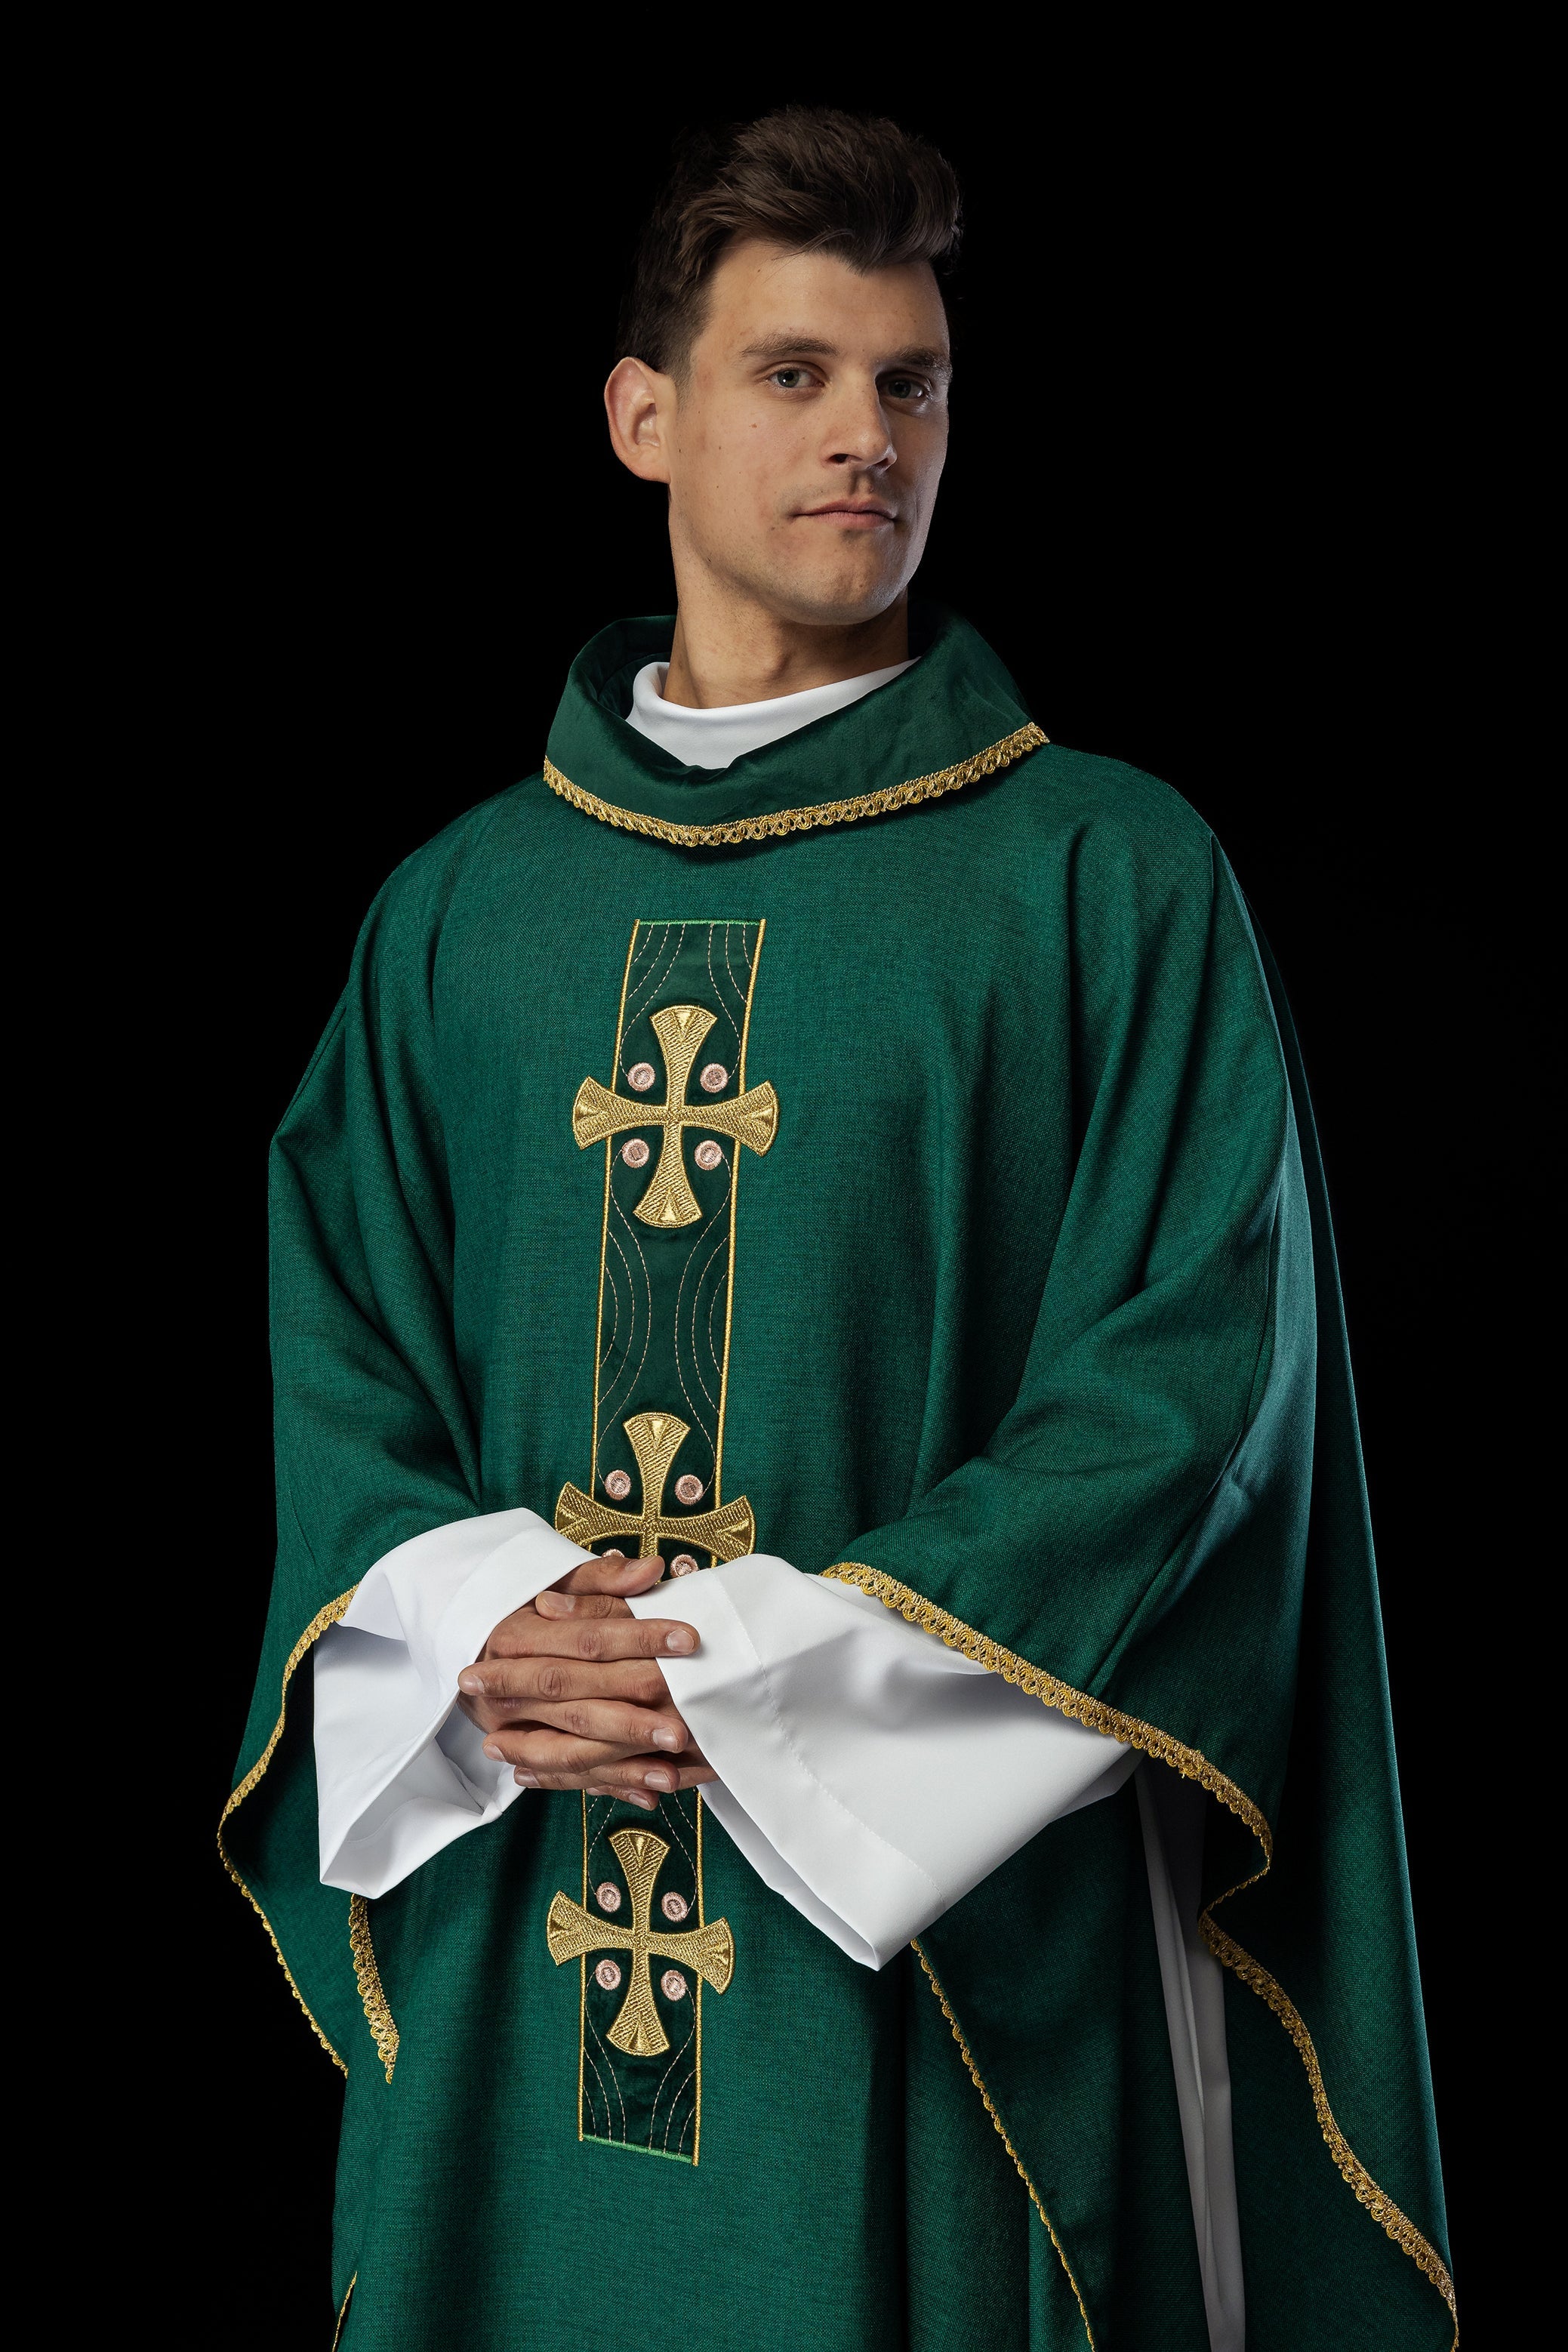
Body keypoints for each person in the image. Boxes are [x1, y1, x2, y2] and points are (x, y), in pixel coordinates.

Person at [222, 106, 1455, 2351]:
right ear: (642, 415)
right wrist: (480, 1626)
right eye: (795, 373)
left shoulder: (1105, 879)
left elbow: (1192, 1392)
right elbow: (341, 1350)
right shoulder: (456, 914)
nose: (869, 437)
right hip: (526, 1896)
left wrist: (761, 1666)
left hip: (944, 1952)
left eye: (914, 384)